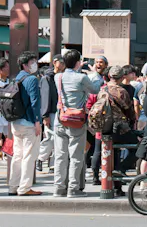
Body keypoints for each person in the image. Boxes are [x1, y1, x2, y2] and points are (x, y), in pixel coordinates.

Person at [52, 49, 98, 197]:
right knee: (76, 156)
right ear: (78, 62)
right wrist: (94, 74)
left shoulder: (57, 77)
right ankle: (73, 188)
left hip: (60, 119)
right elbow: (95, 89)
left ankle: (59, 188)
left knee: (60, 155)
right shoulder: (81, 78)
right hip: (77, 120)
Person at [9, 52, 43, 197]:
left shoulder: (16, 79)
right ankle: (24, 188)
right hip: (29, 122)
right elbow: (35, 102)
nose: (35, 64)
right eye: (32, 62)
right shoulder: (32, 80)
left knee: (17, 155)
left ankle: (13, 186)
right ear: (25, 64)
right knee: (29, 155)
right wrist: (37, 121)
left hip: (15, 122)